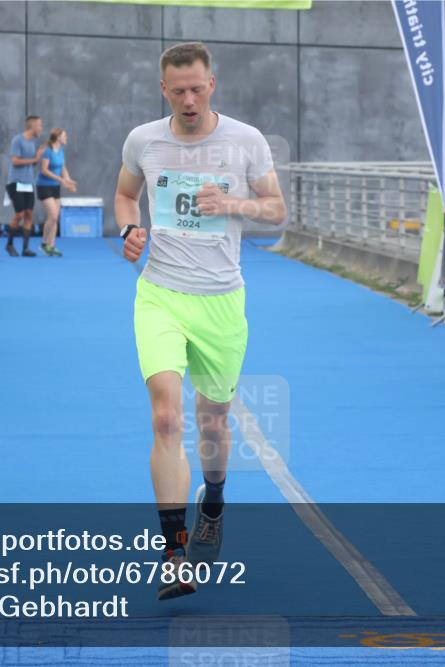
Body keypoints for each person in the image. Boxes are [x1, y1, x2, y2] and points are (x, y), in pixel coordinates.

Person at [114, 41, 286, 599]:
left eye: (197, 87)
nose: (188, 99)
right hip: (160, 295)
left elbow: (277, 209)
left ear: (212, 84)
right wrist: (128, 229)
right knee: (166, 419)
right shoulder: (144, 139)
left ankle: (214, 498)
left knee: (212, 425)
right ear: (163, 89)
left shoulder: (245, 140)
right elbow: (123, 194)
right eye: (177, 90)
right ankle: (174, 553)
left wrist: (232, 205)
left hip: (220, 302)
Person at [5, 115, 43, 257]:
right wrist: (34, 158)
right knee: (19, 214)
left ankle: (25, 248)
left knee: (28, 214)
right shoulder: (17, 140)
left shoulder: (33, 143)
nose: (41, 128)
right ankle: (9, 244)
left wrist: (37, 157)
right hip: (16, 182)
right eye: (39, 125)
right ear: (32, 126)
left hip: (29, 183)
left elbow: (31, 163)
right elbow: (15, 161)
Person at [36, 127, 77, 257]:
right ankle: (44, 243)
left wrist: (68, 181)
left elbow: (63, 167)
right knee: (53, 216)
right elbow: (44, 170)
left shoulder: (61, 150)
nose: (66, 138)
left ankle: (51, 246)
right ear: (58, 137)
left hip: (55, 188)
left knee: (55, 218)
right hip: (44, 186)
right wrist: (61, 180)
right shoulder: (47, 151)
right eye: (64, 136)